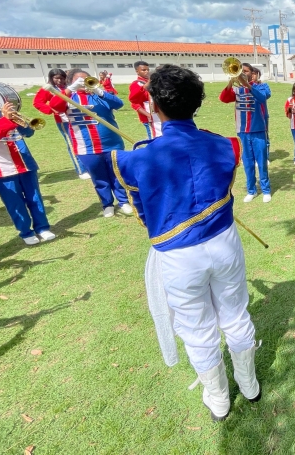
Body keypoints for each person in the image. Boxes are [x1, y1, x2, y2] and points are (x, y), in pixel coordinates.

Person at [112, 65, 261, 422]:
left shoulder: (136, 157)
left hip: (178, 253)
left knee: (197, 327)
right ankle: (249, 385)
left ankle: (219, 398)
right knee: (235, 314)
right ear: (197, 104)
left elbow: (143, 212)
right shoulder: (226, 144)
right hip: (224, 242)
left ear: (153, 104)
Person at [0, 86, 55, 245]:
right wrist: (6, 119)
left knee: (34, 198)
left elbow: (29, 133)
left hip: (25, 163)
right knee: (14, 202)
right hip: (2, 167)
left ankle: (42, 228)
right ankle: (26, 232)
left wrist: (20, 121)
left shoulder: (4, 113)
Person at [48, 70, 131, 218]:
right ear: (71, 82)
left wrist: (99, 91)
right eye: (79, 81)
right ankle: (107, 204)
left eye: (86, 79)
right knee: (99, 178)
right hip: (86, 147)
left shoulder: (98, 96)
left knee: (117, 175)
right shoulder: (68, 97)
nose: (84, 83)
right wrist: (70, 89)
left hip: (112, 144)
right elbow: (54, 105)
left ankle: (123, 201)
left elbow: (119, 104)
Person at [218, 62, 272, 203]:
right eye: (242, 71)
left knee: (261, 162)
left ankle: (266, 190)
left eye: (246, 71)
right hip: (242, 131)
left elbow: (262, 98)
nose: (243, 74)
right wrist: (231, 81)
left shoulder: (261, 87)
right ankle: (251, 190)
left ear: (252, 73)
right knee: (247, 163)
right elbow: (223, 98)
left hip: (258, 130)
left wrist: (247, 85)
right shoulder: (236, 90)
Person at [33, 68, 90, 179]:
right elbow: (37, 102)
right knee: (72, 144)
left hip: (78, 118)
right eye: (56, 78)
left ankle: (89, 166)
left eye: (62, 78)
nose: (59, 80)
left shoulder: (69, 87)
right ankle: (81, 170)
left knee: (83, 141)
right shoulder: (48, 89)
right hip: (63, 121)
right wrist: (51, 110)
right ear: (51, 78)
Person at [129, 61, 162, 140]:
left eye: (148, 69)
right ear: (137, 71)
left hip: (159, 115)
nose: (146, 72)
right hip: (149, 117)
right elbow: (134, 103)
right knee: (154, 137)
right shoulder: (136, 84)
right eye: (143, 70)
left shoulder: (153, 82)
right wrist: (148, 115)